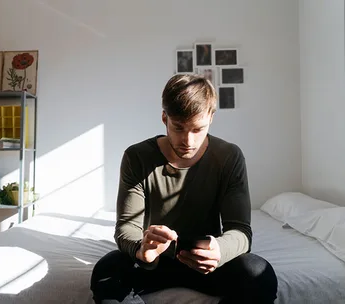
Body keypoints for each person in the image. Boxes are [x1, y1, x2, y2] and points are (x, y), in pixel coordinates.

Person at [90, 74, 278, 304]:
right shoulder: (137, 157)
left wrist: (219, 250)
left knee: (260, 274)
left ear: (211, 117)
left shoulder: (229, 157)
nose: (187, 140)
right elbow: (127, 227)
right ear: (164, 117)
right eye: (178, 128)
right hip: (154, 264)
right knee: (107, 271)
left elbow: (241, 231)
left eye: (197, 129)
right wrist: (142, 249)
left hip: (207, 265)